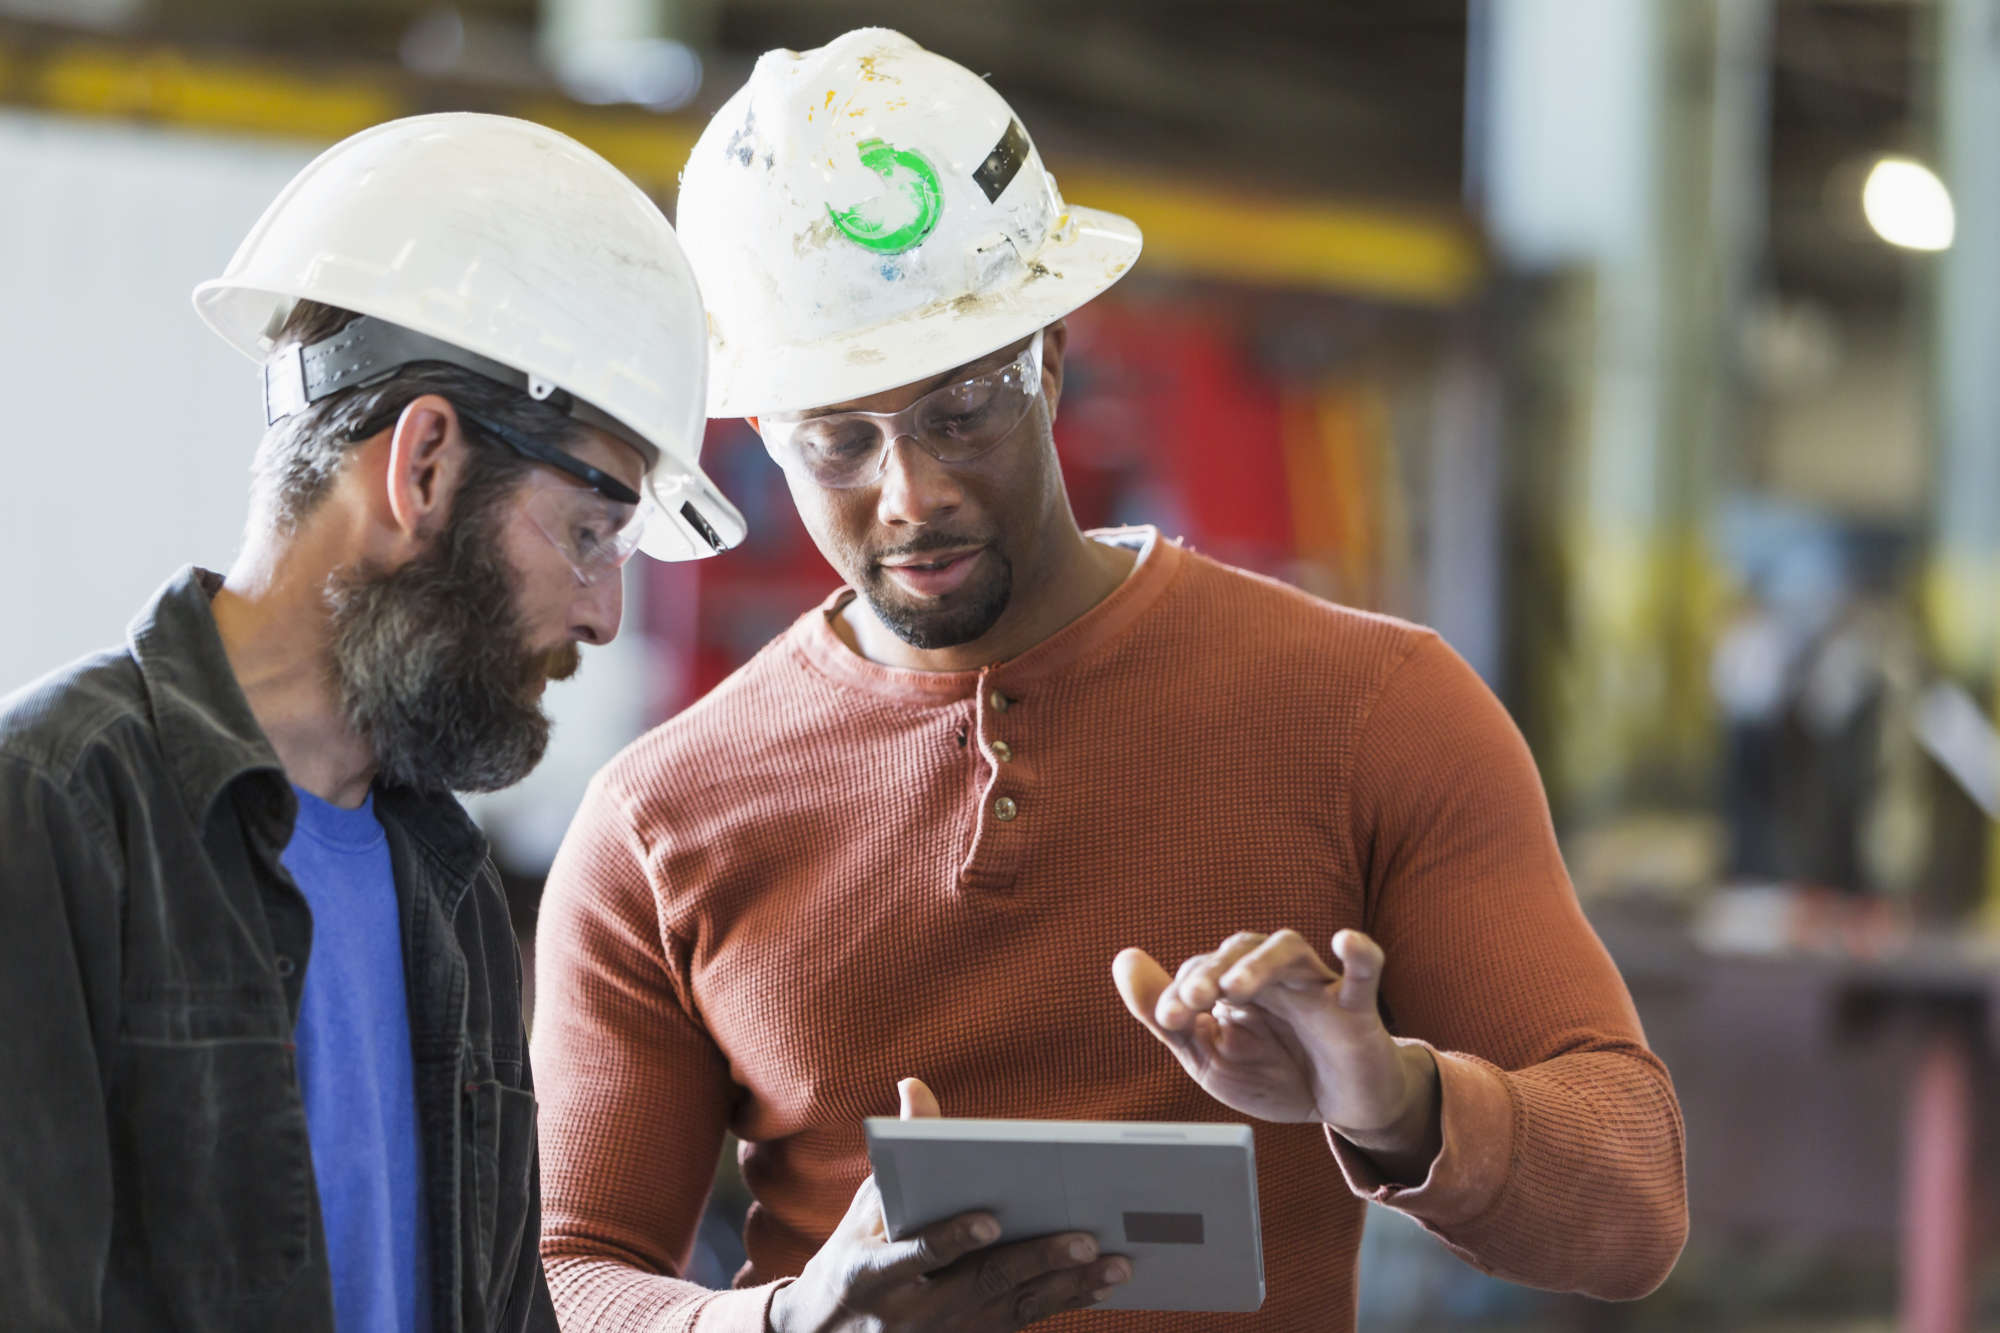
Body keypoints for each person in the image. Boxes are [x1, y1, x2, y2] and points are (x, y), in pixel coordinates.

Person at [531, 29, 1688, 1333]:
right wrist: (788, 1325)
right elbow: (559, 1277)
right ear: (762, 436)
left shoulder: (1375, 713)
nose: (915, 492)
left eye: (963, 407)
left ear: (1054, 355)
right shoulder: (662, 818)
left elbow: (1634, 1205)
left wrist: (1395, 1098)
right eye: (840, 443)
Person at [0, 113, 744, 1333]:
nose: (606, 612)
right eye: (590, 533)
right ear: (428, 468)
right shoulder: (55, 813)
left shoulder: (442, 883)